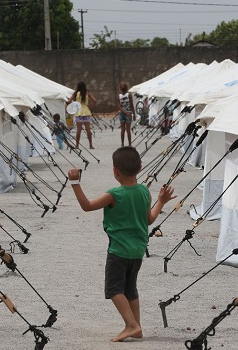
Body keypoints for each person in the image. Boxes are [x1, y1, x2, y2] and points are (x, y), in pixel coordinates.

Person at [67, 146, 176, 342]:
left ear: (115, 171)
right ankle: (137, 326)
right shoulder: (144, 191)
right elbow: (149, 220)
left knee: (114, 289)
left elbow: (87, 206)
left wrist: (75, 182)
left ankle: (131, 325)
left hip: (118, 251)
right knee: (130, 289)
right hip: (137, 252)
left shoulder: (114, 194)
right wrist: (161, 201)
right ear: (140, 167)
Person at [68, 81, 97, 149]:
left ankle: (77, 145)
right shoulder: (88, 93)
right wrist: (90, 106)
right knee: (88, 129)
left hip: (78, 112)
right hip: (86, 111)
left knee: (79, 129)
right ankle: (90, 145)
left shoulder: (75, 93)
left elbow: (69, 101)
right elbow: (95, 101)